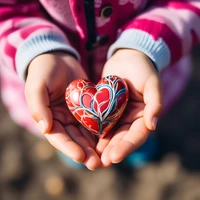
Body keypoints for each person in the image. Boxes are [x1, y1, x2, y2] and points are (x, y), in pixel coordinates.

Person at [0, 0, 199, 170]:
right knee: (62, 128)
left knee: (141, 121)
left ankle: (137, 146)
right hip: (53, 90)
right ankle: (82, 152)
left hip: (147, 73)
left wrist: (143, 47)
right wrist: (37, 51)